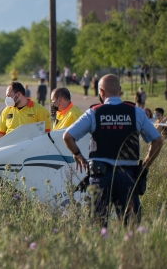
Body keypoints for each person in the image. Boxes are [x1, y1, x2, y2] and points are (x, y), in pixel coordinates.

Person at [63, 74, 163, 226]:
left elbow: (68, 136)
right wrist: (144, 167)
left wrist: (78, 155)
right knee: (132, 227)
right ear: (120, 90)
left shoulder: (94, 113)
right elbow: (157, 141)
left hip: (100, 177)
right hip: (128, 175)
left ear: (101, 92)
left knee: (98, 226)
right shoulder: (136, 113)